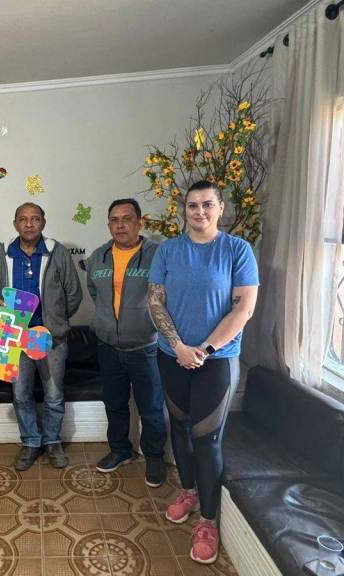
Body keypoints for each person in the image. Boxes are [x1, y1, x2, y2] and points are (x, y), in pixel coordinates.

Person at [148, 181, 259, 564]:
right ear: (184, 209)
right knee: (179, 428)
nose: (199, 212)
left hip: (217, 361)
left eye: (207, 204)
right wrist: (179, 346)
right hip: (172, 355)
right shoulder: (168, 250)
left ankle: (208, 521)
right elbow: (155, 301)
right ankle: (189, 491)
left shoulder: (237, 250)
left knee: (207, 439)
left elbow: (243, 310)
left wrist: (205, 349)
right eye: (192, 205)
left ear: (220, 207)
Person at [0, 202, 83, 471]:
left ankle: (52, 442)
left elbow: (74, 294)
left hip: (51, 339)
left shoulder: (56, 252)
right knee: (20, 394)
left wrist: (56, 323)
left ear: (43, 222)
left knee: (54, 394)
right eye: (23, 219)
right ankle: (30, 442)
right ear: (15, 223)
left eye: (35, 218)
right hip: (15, 339)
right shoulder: (3, 253)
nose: (29, 224)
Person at [85, 199, 167, 487]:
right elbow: (94, 291)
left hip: (146, 348)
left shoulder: (157, 255)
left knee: (151, 407)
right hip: (108, 347)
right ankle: (121, 450)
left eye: (127, 219)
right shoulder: (98, 256)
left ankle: (154, 456)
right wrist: (107, 321)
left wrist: (144, 321)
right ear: (109, 224)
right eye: (114, 220)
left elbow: (167, 294)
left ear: (139, 222)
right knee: (115, 403)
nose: (120, 225)